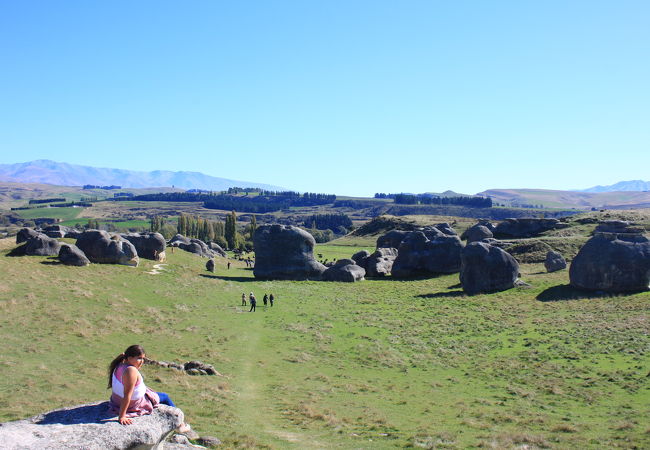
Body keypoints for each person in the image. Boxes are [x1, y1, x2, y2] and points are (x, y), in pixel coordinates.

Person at [108, 345, 186, 429]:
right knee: (165, 397)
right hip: (134, 404)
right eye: (139, 358)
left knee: (151, 392)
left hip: (116, 401)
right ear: (129, 358)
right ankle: (180, 425)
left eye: (143, 359)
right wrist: (122, 416)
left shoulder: (119, 365)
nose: (142, 362)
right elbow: (127, 395)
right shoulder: (131, 371)